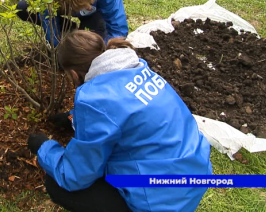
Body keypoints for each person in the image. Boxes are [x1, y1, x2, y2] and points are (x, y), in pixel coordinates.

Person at [27, 31, 213, 212]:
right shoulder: (138, 69)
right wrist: (73, 117)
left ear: (74, 75)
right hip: (193, 174)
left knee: (56, 185)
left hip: (160, 202)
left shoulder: (93, 99)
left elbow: (74, 175)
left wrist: (44, 147)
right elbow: (124, 110)